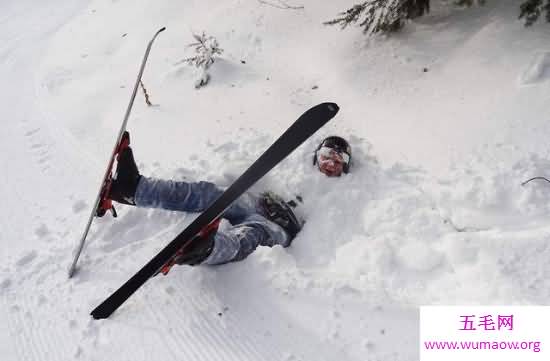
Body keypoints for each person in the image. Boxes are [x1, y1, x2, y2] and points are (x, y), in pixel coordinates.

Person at [107, 135, 352, 266]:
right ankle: (134, 189)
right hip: (257, 203)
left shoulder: (342, 193)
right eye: (326, 156)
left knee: (252, 233)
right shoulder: (296, 170)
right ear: (317, 155)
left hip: (281, 230)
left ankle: (208, 250)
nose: (330, 163)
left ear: (346, 165)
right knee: (210, 194)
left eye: (338, 159)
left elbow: (324, 236)